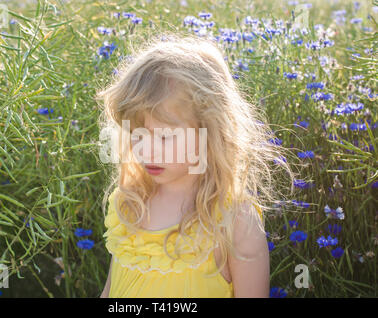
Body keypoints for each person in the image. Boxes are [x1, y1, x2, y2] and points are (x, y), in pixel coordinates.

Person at [95, 32, 295, 298]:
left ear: (209, 132)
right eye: (136, 134)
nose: (146, 149)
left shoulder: (233, 220)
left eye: (165, 136)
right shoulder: (130, 202)